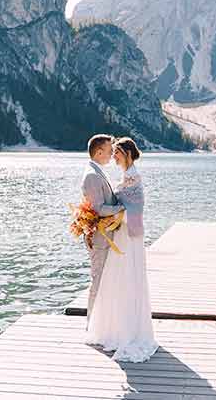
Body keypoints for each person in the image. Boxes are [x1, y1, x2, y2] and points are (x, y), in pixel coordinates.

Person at [86, 136, 158, 363]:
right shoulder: (128, 175)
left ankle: (126, 330)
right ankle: (118, 326)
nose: (113, 156)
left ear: (126, 154)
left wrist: (116, 215)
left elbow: (135, 209)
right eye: (111, 152)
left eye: (116, 152)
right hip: (123, 234)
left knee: (126, 279)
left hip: (128, 235)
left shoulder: (133, 176)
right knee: (118, 279)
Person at [81, 134, 124, 324]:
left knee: (104, 280)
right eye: (109, 150)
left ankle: (102, 322)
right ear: (99, 152)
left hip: (105, 235)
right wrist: (121, 209)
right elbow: (98, 208)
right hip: (99, 238)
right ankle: (92, 325)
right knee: (97, 280)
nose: (112, 154)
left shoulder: (98, 171)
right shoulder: (91, 175)